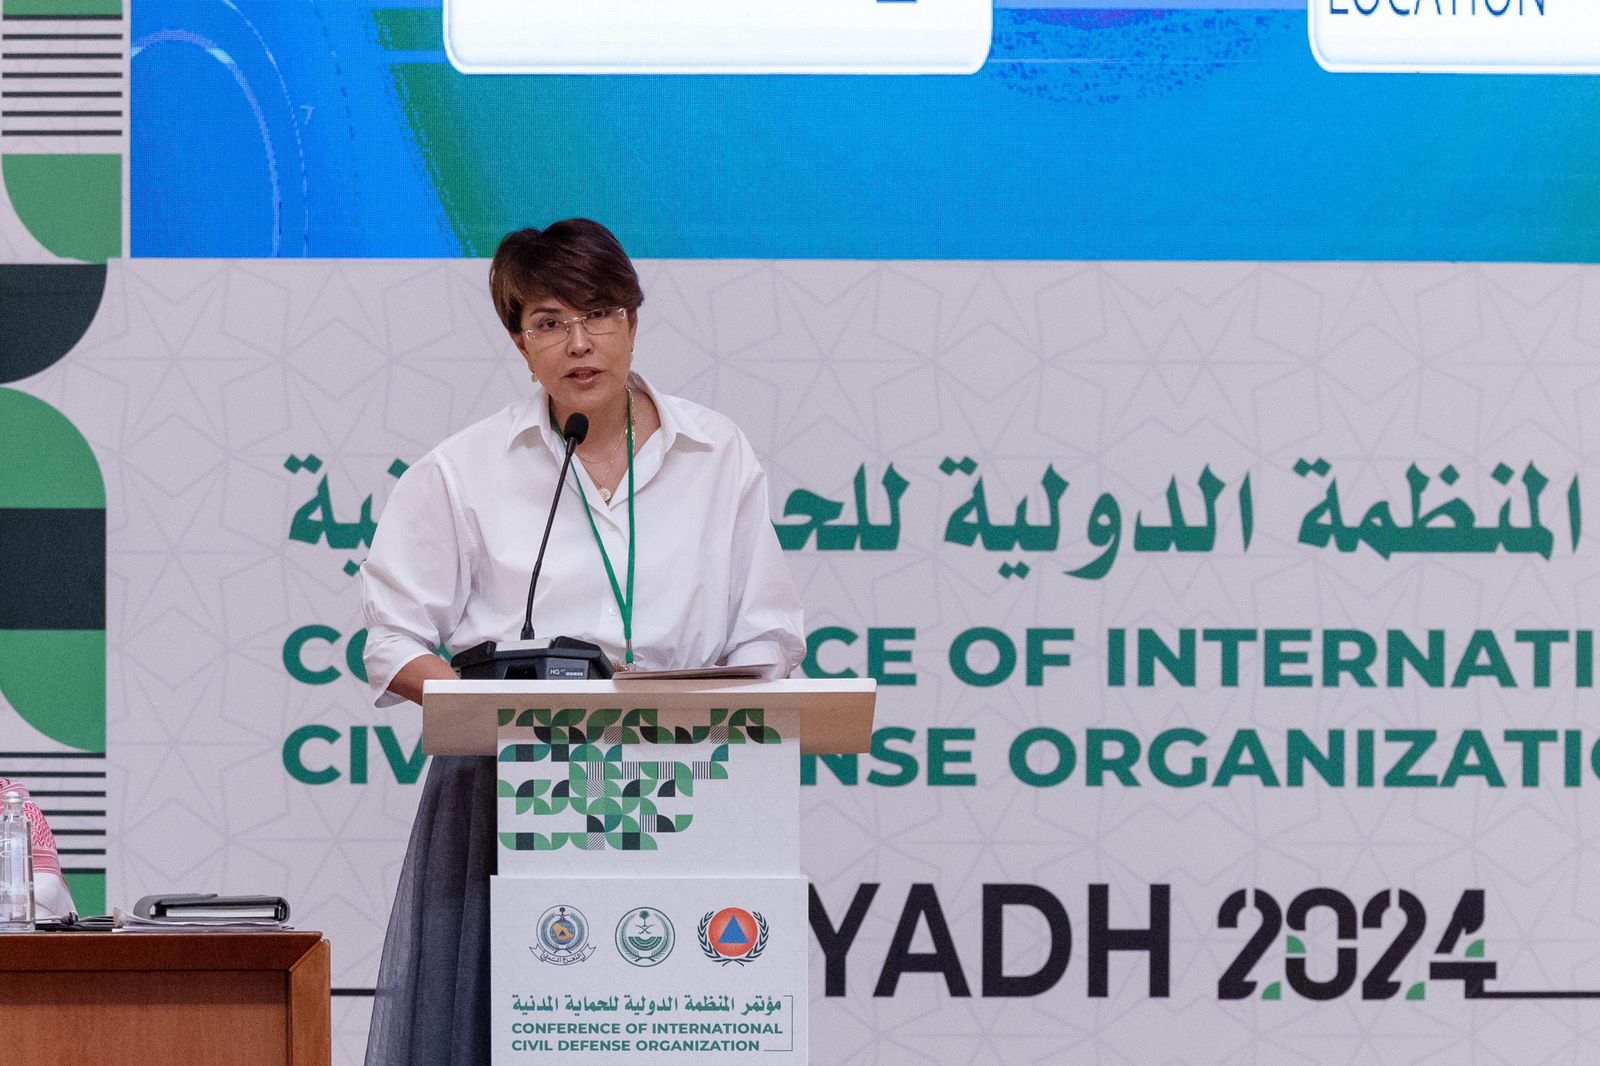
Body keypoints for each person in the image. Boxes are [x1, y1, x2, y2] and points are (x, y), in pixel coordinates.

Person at [360, 219, 805, 1066]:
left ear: (633, 320)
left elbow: (771, 631)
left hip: (688, 778)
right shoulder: (462, 470)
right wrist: (482, 706)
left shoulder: (718, 454)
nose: (579, 343)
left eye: (599, 314)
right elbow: (393, 642)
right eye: (549, 322)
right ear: (518, 341)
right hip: (512, 790)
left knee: (680, 1028)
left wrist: (698, 692)